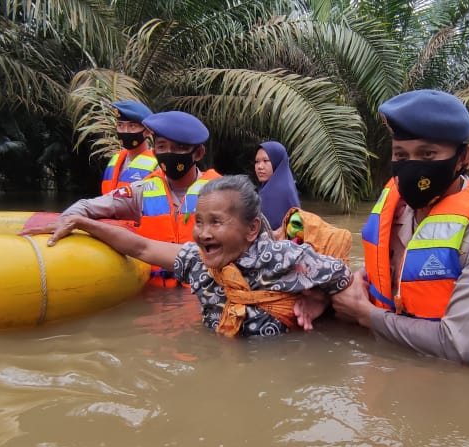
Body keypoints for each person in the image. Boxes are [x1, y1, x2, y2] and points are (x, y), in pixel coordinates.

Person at [330, 89, 469, 365]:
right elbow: (392, 272)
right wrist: (350, 285)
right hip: (393, 371)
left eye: (427, 154)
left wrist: (365, 315)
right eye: (401, 156)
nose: (413, 168)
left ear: (464, 158)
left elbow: (458, 346)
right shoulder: (398, 206)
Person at [37, 175, 353, 337]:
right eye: (199, 222)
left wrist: (319, 301)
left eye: (216, 222)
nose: (203, 234)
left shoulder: (285, 259)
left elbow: (344, 276)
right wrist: (83, 222)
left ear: (252, 228)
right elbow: (141, 247)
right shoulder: (195, 262)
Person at [24, 110, 221, 286]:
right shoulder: (142, 190)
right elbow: (87, 206)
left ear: (198, 153)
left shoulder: (222, 193)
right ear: (155, 151)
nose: (169, 154)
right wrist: (64, 222)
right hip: (155, 292)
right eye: (162, 147)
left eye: (179, 148)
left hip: (203, 291)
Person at [100, 100, 158, 195]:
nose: (125, 131)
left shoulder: (158, 164)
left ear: (148, 131)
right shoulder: (115, 159)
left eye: (132, 126)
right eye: (120, 125)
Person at [254, 141, 301, 227]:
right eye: (257, 161)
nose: (260, 166)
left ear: (277, 162)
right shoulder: (288, 187)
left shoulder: (273, 193)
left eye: (265, 161)